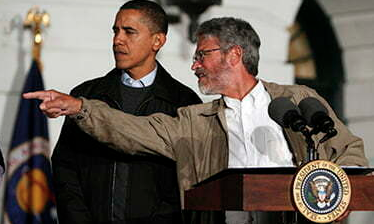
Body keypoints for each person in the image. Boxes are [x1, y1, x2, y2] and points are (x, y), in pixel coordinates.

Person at [25, 17, 368, 224]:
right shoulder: (195, 120)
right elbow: (132, 130)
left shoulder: (296, 101)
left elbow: (349, 151)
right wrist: (81, 107)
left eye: (202, 54)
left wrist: (336, 202)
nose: (194, 65)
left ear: (234, 54)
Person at [49, 1, 202, 224]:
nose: (117, 40)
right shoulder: (85, 95)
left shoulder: (184, 104)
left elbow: (189, 179)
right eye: (116, 31)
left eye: (129, 32)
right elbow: (65, 168)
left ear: (157, 41)